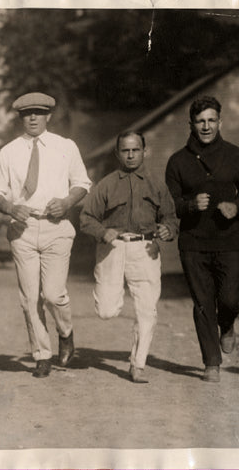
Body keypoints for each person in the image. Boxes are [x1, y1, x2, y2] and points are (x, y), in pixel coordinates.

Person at [0, 92, 91, 378]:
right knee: (30, 297)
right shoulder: (9, 152)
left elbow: (82, 183)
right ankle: (42, 354)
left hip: (57, 227)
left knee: (54, 295)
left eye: (37, 112)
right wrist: (10, 207)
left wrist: (67, 202)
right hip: (23, 229)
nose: (32, 118)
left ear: (48, 116)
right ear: (20, 117)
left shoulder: (65, 147)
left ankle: (65, 333)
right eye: (26, 113)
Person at [165, 96, 239, 383]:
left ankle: (227, 325)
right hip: (193, 242)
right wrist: (191, 205)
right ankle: (211, 362)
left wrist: (237, 206)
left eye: (211, 120)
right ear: (191, 124)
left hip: (228, 240)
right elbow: (171, 205)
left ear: (220, 122)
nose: (206, 126)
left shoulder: (235, 155)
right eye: (200, 121)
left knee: (229, 299)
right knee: (203, 302)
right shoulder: (177, 161)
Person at [80, 131, 178, 383]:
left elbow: (169, 218)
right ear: (118, 153)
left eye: (136, 149)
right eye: (126, 150)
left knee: (147, 309)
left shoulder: (156, 184)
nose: (131, 155)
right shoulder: (106, 184)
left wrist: (167, 230)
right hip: (113, 248)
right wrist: (103, 232)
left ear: (144, 151)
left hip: (145, 249)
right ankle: (116, 294)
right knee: (106, 310)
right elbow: (86, 219)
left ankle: (138, 364)